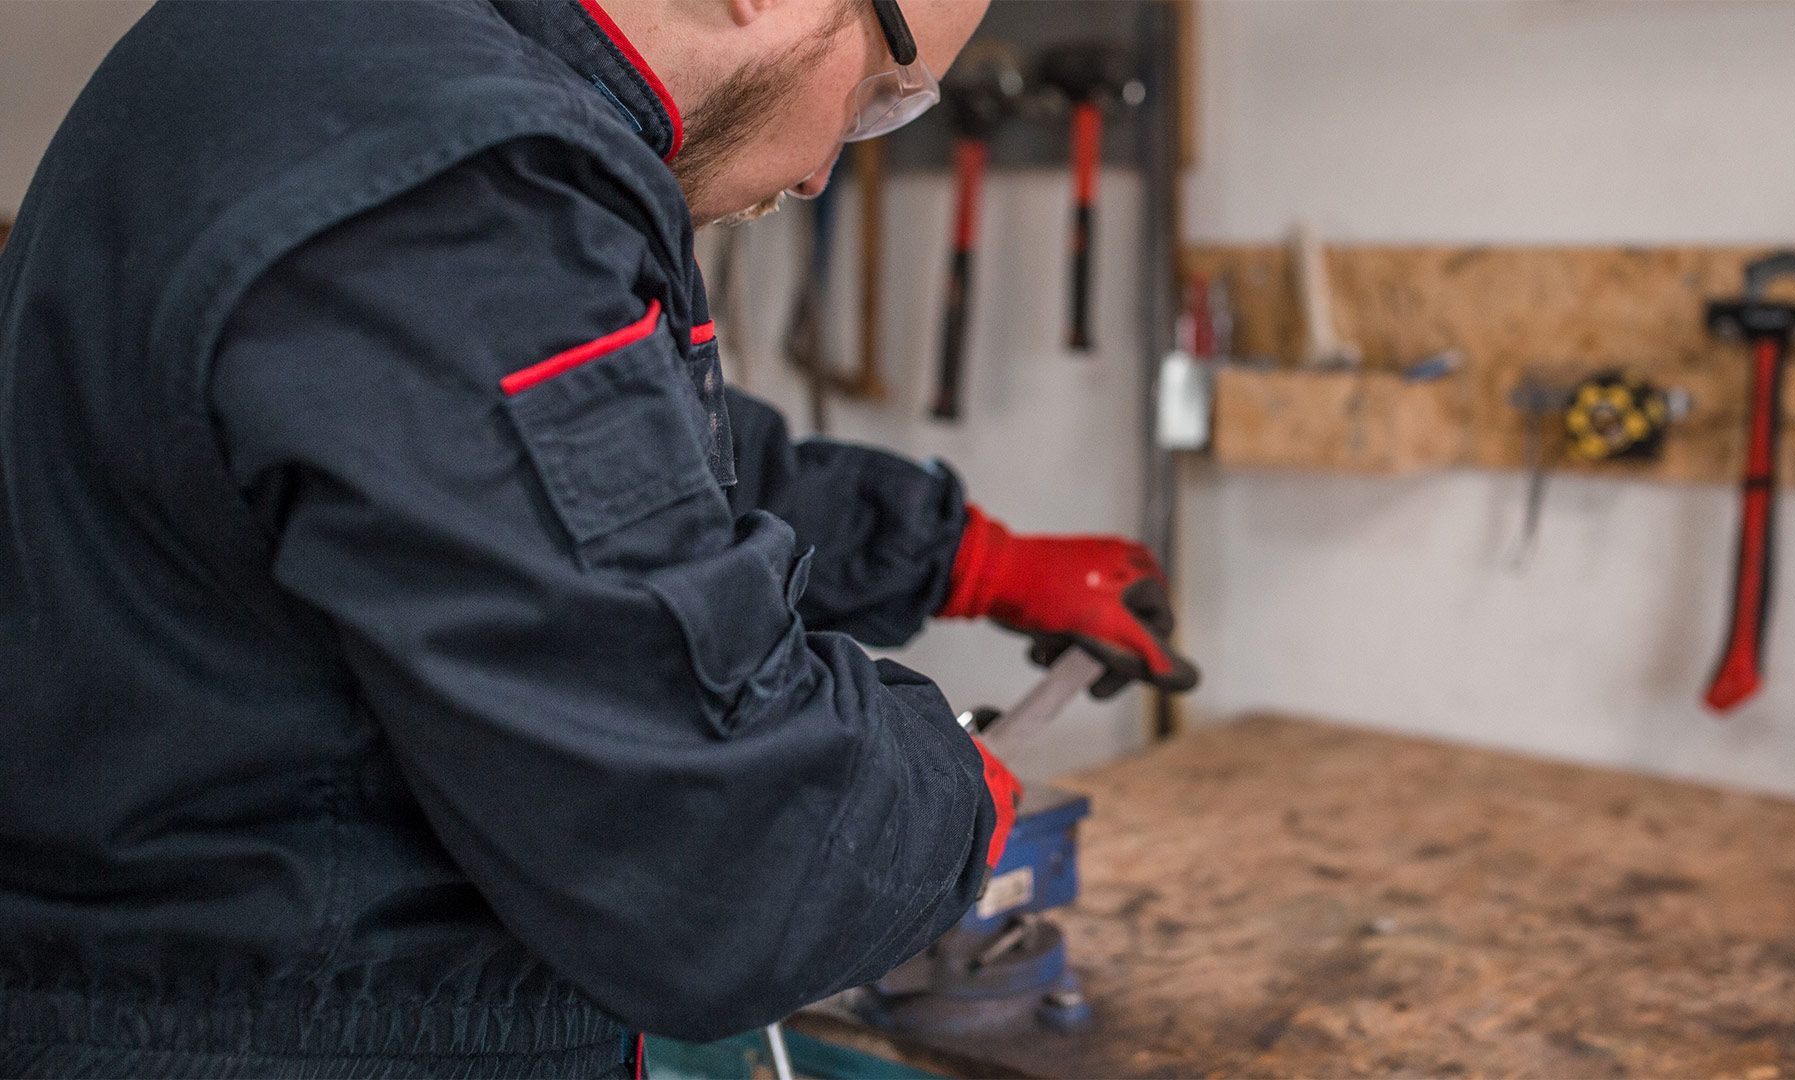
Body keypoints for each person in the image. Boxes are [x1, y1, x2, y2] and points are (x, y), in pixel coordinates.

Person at [0, 0, 1198, 1075]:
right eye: (884, 90)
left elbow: (604, 460)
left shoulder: (346, 66)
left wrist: (963, 555)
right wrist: (945, 797)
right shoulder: (459, 176)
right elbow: (723, 853)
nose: (830, 167)